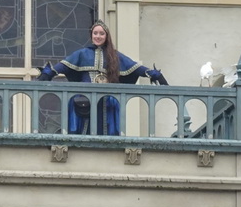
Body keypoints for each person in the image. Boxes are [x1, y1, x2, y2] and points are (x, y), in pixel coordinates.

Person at [36, 22, 168, 134]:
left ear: (106, 36)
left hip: (107, 101)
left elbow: (136, 68)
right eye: (95, 33)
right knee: (84, 130)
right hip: (84, 99)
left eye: (101, 33)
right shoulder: (82, 54)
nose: (98, 36)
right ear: (91, 35)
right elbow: (61, 67)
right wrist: (47, 74)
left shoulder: (115, 56)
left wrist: (155, 75)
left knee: (106, 129)